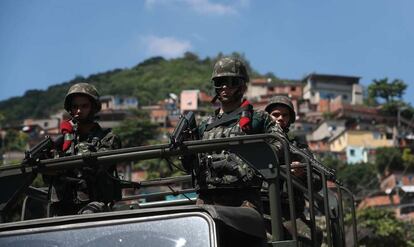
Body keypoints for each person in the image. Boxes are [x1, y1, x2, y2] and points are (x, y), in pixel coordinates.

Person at [194, 57, 285, 213]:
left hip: (244, 197)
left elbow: (279, 143)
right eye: (219, 82)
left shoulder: (258, 119)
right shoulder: (204, 125)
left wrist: (253, 162)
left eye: (231, 82)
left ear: (242, 86)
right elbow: (191, 160)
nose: (224, 87)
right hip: (208, 195)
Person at [45, 83, 122, 216]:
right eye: (75, 107)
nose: (79, 111)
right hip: (62, 207)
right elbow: (47, 175)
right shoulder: (62, 141)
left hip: (94, 205)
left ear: (93, 108)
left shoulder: (108, 138)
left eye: (84, 106)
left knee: (88, 215)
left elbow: (97, 166)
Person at [265, 95, 323, 246]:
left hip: (290, 212)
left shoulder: (299, 149)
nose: (280, 118)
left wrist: (301, 173)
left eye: (285, 115)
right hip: (261, 209)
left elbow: (318, 181)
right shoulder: (257, 144)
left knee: (310, 236)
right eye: (275, 114)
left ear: (290, 119)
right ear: (267, 117)